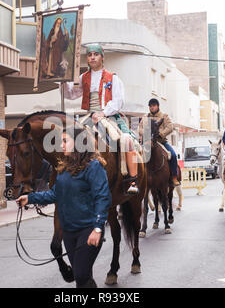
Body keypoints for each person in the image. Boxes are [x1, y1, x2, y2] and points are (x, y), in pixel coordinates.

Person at [16, 127, 111, 288]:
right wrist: (30, 198)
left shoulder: (94, 167)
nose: (61, 145)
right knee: (83, 277)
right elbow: (54, 194)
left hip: (88, 230)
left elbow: (102, 198)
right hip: (69, 232)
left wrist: (97, 228)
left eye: (65, 141)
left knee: (80, 276)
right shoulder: (63, 169)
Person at [63, 44, 139, 194]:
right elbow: (70, 94)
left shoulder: (113, 78)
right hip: (89, 116)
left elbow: (118, 101)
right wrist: (64, 80)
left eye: (95, 54)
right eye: (89, 54)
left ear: (102, 57)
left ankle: (133, 180)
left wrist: (103, 113)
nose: (92, 57)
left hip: (109, 115)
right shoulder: (83, 77)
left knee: (127, 140)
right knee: (69, 139)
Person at [139, 98, 180, 186]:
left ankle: (174, 177)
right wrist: (146, 133)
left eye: (153, 106)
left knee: (172, 155)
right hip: (148, 142)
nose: (152, 108)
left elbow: (170, 127)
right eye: (150, 106)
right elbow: (140, 128)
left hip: (161, 142)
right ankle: (138, 178)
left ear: (158, 106)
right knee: (138, 156)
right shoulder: (145, 117)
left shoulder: (164, 116)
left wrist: (161, 134)